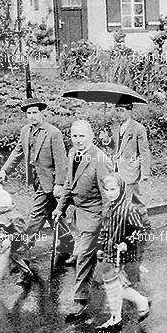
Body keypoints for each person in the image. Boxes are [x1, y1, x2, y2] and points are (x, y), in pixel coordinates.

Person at [52, 120, 113, 321]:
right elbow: (69, 184)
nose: (77, 140)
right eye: (74, 136)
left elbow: (108, 194)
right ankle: (134, 295)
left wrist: (107, 222)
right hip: (80, 214)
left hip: (96, 215)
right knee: (100, 260)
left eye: (82, 136)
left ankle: (80, 301)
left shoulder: (99, 158)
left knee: (84, 256)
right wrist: (60, 207)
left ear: (91, 137)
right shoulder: (72, 154)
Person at [0, 98, 68, 257]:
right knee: (51, 213)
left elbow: (61, 161)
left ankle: (24, 245)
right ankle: (68, 242)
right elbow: (17, 152)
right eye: (28, 113)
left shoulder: (53, 133)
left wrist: (59, 184)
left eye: (34, 112)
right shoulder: (25, 131)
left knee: (36, 213)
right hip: (35, 180)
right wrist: (4, 171)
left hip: (49, 181)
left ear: (42, 113)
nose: (31, 116)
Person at [92, 174, 151, 332]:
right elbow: (104, 230)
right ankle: (139, 303)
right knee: (114, 284)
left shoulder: (128, 209)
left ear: (121, 189)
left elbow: (141, 231)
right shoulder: (109, 208)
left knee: (111, 283)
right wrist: (100, 247)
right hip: (109, 251)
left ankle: (117, 317)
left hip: (122, 253)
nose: (110, 193)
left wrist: (127, 242)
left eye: (114, 189)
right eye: (107, 190)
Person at [0, 185, 34, 297]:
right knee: (14, 259)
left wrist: (10, 240)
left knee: (4, 263)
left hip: (13, 243)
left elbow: (20, 232)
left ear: (4, 206)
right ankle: (27, 272)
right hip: (4, 241)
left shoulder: (14, 217)